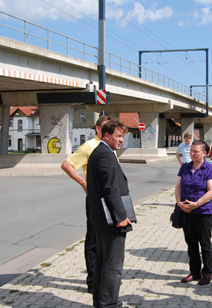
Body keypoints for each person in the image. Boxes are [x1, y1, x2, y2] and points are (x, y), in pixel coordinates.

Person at [60, 115, 110, 293]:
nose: (110, 131)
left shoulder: (107, 145)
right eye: (106, 127)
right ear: (98, 128)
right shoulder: (89, 146)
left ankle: (102, 278)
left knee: (106, 239)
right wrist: (84, 183)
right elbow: (67, 165)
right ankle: (92, 281)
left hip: (109, 199)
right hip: (96, 199)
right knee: (94, 240)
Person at [86, 120, 132, 308]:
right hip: (112, 220)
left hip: (101, 219)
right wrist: (120, 217)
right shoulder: (105, 154)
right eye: (118, 136)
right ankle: (108, 304)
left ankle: (101, 302)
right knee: (112, 266)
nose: (121, 140)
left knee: (102, 262)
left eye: (123, 136)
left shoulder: (99, 152)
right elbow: (110, 189)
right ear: (106, 136)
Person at [175, 140, 212, 285]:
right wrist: (179, 202)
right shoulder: (185, 167)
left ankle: (207, 272)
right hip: (186, 211)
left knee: (205, 243)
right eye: (191, 151)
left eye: (195, 151)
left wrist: (197, 204)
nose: (192, 154)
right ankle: (194, 272)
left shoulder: (210, 169)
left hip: (204, 211)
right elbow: (178, 186)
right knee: (191, 243)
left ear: (204, 153)